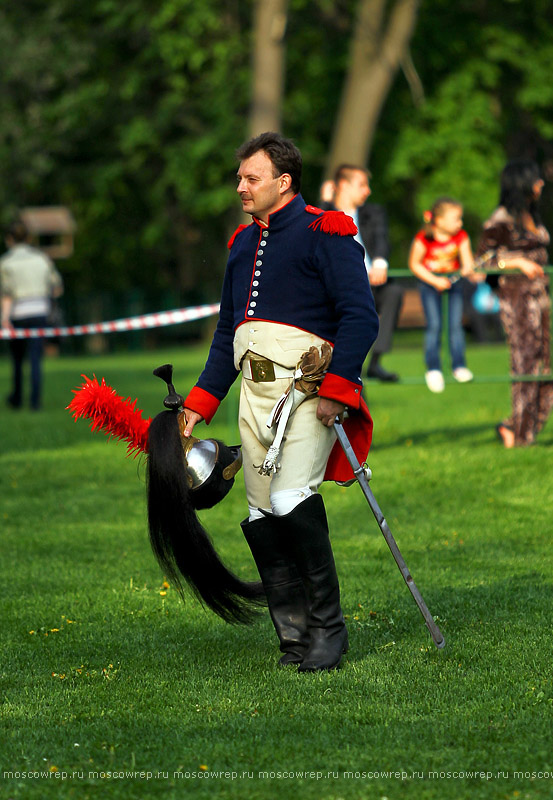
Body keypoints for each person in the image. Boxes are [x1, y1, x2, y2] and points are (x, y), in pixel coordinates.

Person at [181, 132, 379, 672]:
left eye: (251, 178)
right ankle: (293, 637)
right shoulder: (243, 244)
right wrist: (200, 402)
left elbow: (361, 317)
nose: (240, 186)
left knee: (292, 498)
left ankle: (328, 634)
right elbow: (228, 334)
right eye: (239, 177)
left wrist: (338, 389)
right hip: (253, 392)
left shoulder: (328, 233)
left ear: (283, 181)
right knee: (261, 512)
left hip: (308, 392)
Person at [476, 159, 553, 448]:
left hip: (541, 299)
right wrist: (517, 261)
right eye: (535, 179)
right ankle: (520, 435)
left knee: (546, 368)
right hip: (517, 301)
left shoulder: (531, 214)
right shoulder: (501, 219)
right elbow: (481, 261)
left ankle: (516, 428)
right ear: (521, 183)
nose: (541, 183)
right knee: (525, 364)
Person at [322, 165, 403, 382]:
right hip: (342, 289)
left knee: (394, 292)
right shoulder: (323, 214)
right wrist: (325, 201)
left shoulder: (373, 213)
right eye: (362, 185)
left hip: (372, 283)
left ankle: (375, 362)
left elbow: (381, 239)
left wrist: (380, 262)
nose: (367, 190)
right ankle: (351, 378)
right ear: (342, 186)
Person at [408, 197, 476, 393]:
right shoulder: (423, 238)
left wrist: (467, 269)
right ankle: (433, 368)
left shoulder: (461, 236)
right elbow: (414, 264)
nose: (460, 223)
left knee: (455, 325)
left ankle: (459, 365)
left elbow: (467, 262)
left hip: (453, 285)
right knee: (434, 325)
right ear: (439, 220)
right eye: (456, 219)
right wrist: (435, 280)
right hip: (430, 286)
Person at [1, 220, 63, 410]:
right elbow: (57, 288)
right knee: (36, 357)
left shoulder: (5, 262)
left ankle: (17, 398)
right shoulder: (42, 259)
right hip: (39, 311)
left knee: (17, 358)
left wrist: (4, 318)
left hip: (18, 312)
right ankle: (35, 401)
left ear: (9, 239)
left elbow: (6, 294)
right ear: (28, 238)